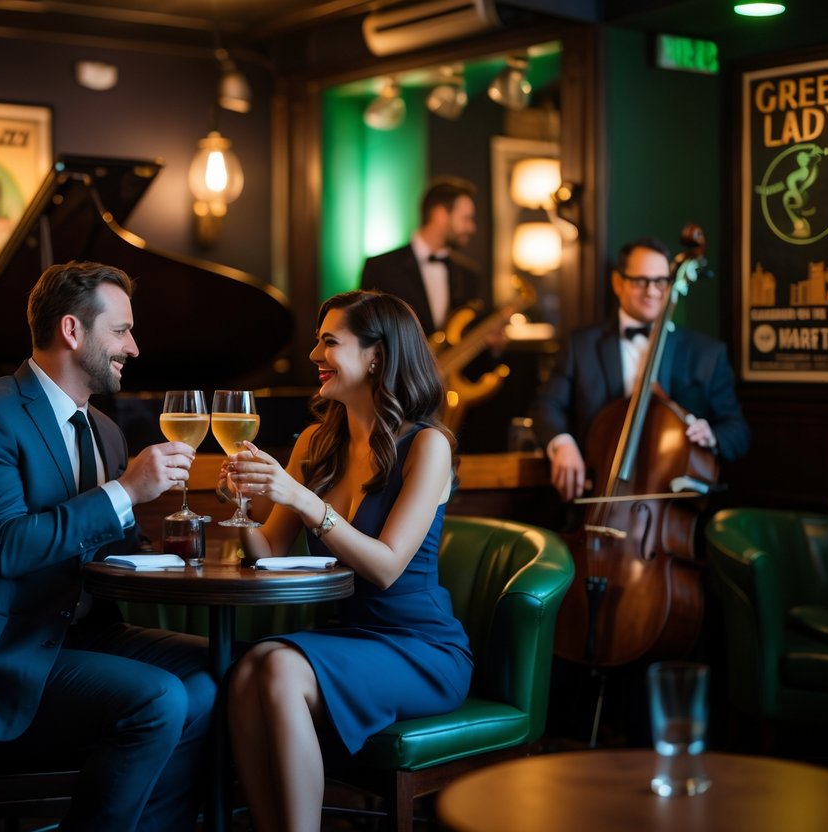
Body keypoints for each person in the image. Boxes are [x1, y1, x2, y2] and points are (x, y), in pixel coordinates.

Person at [0, 260, 214, 832]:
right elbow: (7, 547)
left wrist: (196, 545)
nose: (135, 347)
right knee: (160, 698)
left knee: (218, 670)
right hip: (3, 654)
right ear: (72, 331)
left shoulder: (108, 430)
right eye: (120, 331)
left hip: (85, 636)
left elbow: (114, 553)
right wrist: (126, 490)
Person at [221, 290, 473, 832]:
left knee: (280, 667)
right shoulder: (314, 443)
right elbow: (267, 552)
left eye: (329, 342)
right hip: (350, 635)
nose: (314, 354)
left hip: (421, 647)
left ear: (377, 356)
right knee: (246, 671)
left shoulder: (428, 446)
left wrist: (304, 500)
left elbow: (385, 567)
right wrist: (242, 506)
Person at [530, 237, 750, 502]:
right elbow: (545, 405)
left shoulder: (707, 353)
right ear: (618, 282)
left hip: (671, 507)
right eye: (640, 281)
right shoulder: (581, 345)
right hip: (597, 492)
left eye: (661, 281)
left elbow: (737, 431)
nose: (652, 291)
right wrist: (562, 443)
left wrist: (711, 435)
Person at [360, 176, 498, 341]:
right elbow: (365, 334)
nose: (472, 227)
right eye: (465, 219)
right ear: (440, 215)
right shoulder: (381, 268)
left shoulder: (470, 274)